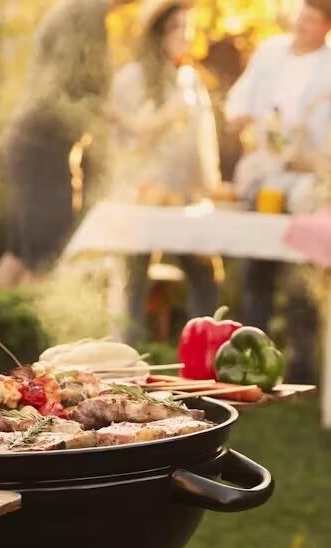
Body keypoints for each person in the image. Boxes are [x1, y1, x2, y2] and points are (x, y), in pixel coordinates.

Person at [224, 0, 331, 383]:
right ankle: (248, 360)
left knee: (301, 273)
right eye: (301, 14)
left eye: (311, 20)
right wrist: (241, 116)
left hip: (306, 181)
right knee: (257, 269)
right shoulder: (269, 52)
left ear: (328, 26)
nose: (301, 24)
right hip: (264, 175)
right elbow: (240, 99)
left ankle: (301, 366)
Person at [0, 0, 132, 289]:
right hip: (43, 148)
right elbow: (66, 86)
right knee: (46, 260)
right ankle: (30, 331)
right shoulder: (86, 14)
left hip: (32, 144)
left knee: (19, 254)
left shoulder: (78, 10)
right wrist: (123, 120)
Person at [107, 0, 221, 341]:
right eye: (177, 27)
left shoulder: (190, 78)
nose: (186, 36)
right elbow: (122, 141)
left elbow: (203, 143)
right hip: (141, 197)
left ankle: (205, 357)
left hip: (183, 200)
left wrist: (209, 187)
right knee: (135, 283)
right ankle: (127, 364)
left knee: (205, 275)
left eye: (189, 27)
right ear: (157, 34)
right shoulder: (133, 77)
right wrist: (162, 119)